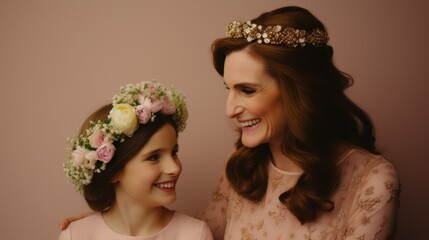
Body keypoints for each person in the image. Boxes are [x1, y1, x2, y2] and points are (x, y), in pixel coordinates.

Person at [61, 6, 401, 240]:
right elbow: (191, 233)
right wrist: (106, 226)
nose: (230, 109)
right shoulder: (241, 168)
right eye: (229, 89)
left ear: (300, 91)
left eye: (247, 90)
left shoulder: (372, 181)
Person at [59, 80, 213, 240]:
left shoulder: (195, 234)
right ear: (113, 171)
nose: (174, 168)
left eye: (174, 152)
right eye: (154, 157)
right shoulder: (76, 236)